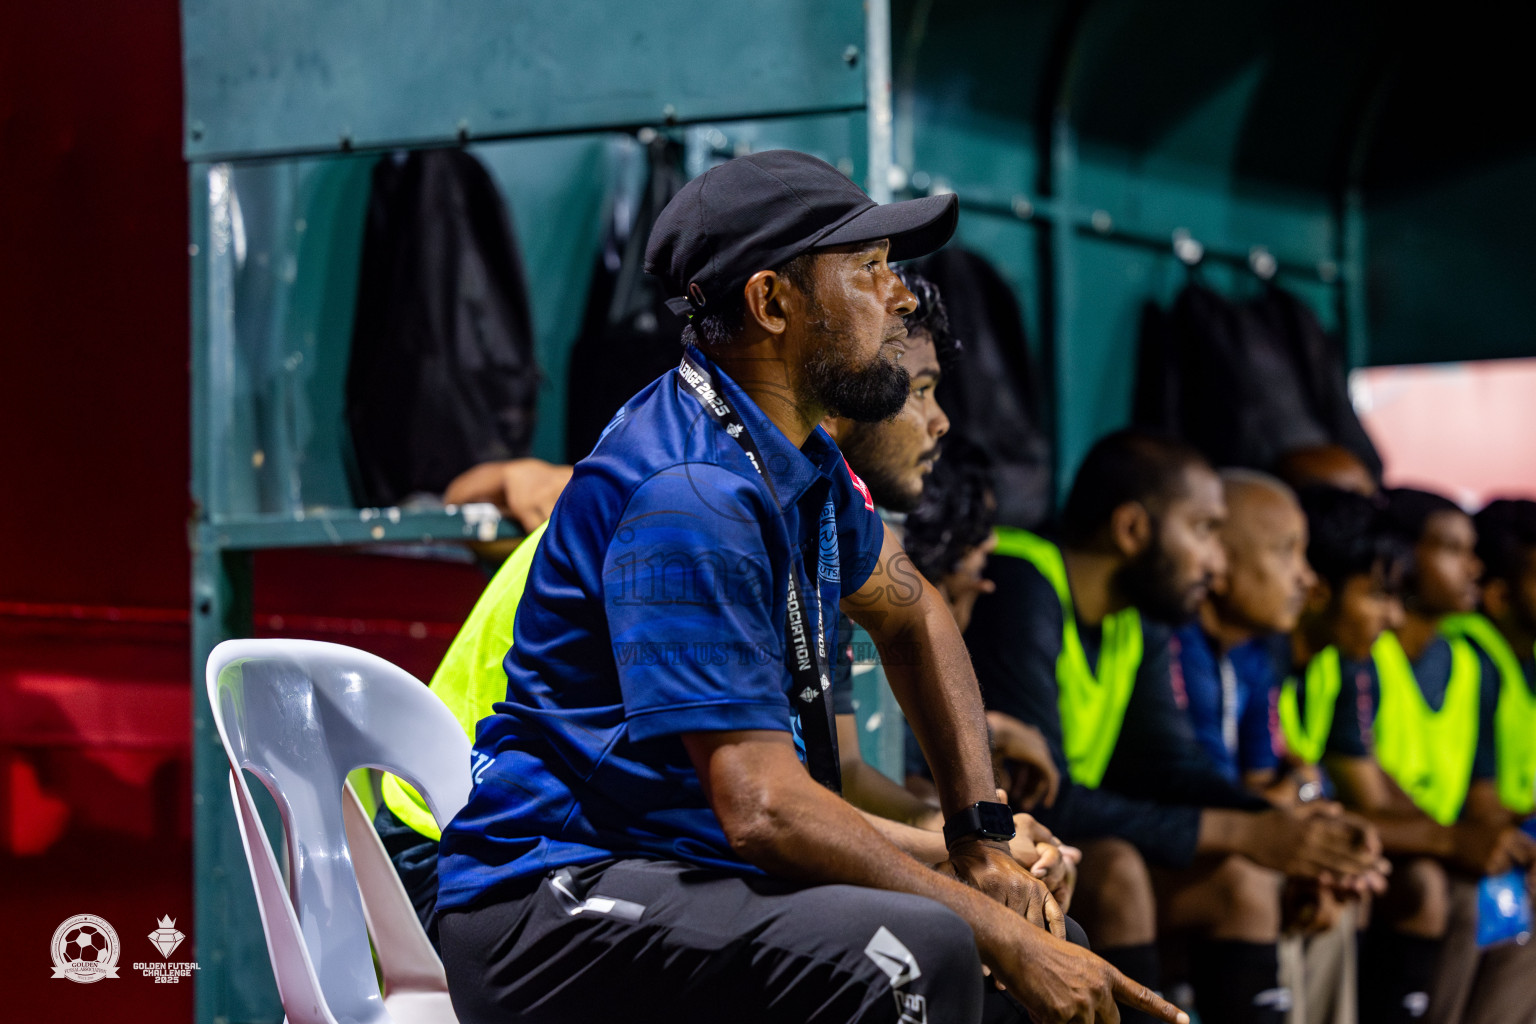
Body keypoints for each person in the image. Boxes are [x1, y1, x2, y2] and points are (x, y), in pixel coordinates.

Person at [432, 151, 1183, 1024]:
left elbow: (914, 618)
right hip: (555, 899)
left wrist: (978, 836)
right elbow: (761, 809)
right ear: (771, 303)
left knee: (1049, 935)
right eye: (867, 269)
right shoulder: (689, 492)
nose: (900, 296)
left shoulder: (798, 460)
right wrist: (983, 917)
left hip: (686, 866)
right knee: (929, 950)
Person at [965, 430, 1384, 1024]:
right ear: (1133, 530)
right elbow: (1042, 799)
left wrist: (1288, 830)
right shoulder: (1023, 586)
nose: (1216, 562)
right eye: (1205, 531)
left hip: (1061, 845)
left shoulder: (1135, 621)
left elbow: (1170, 765)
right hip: (993, 853)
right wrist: (1243, 831)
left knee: (1240, 881)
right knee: (1116, 872)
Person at [1298, 487, 1536, 1024]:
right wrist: (1452, 839)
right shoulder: (1360, 651)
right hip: (1382, 845)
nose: (1471, 567)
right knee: (1433, 888)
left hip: (1405, 837)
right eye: (1451, 548)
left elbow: (1479, 801)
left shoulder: (1468, 666)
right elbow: (1364, 791)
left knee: (1493, 890)